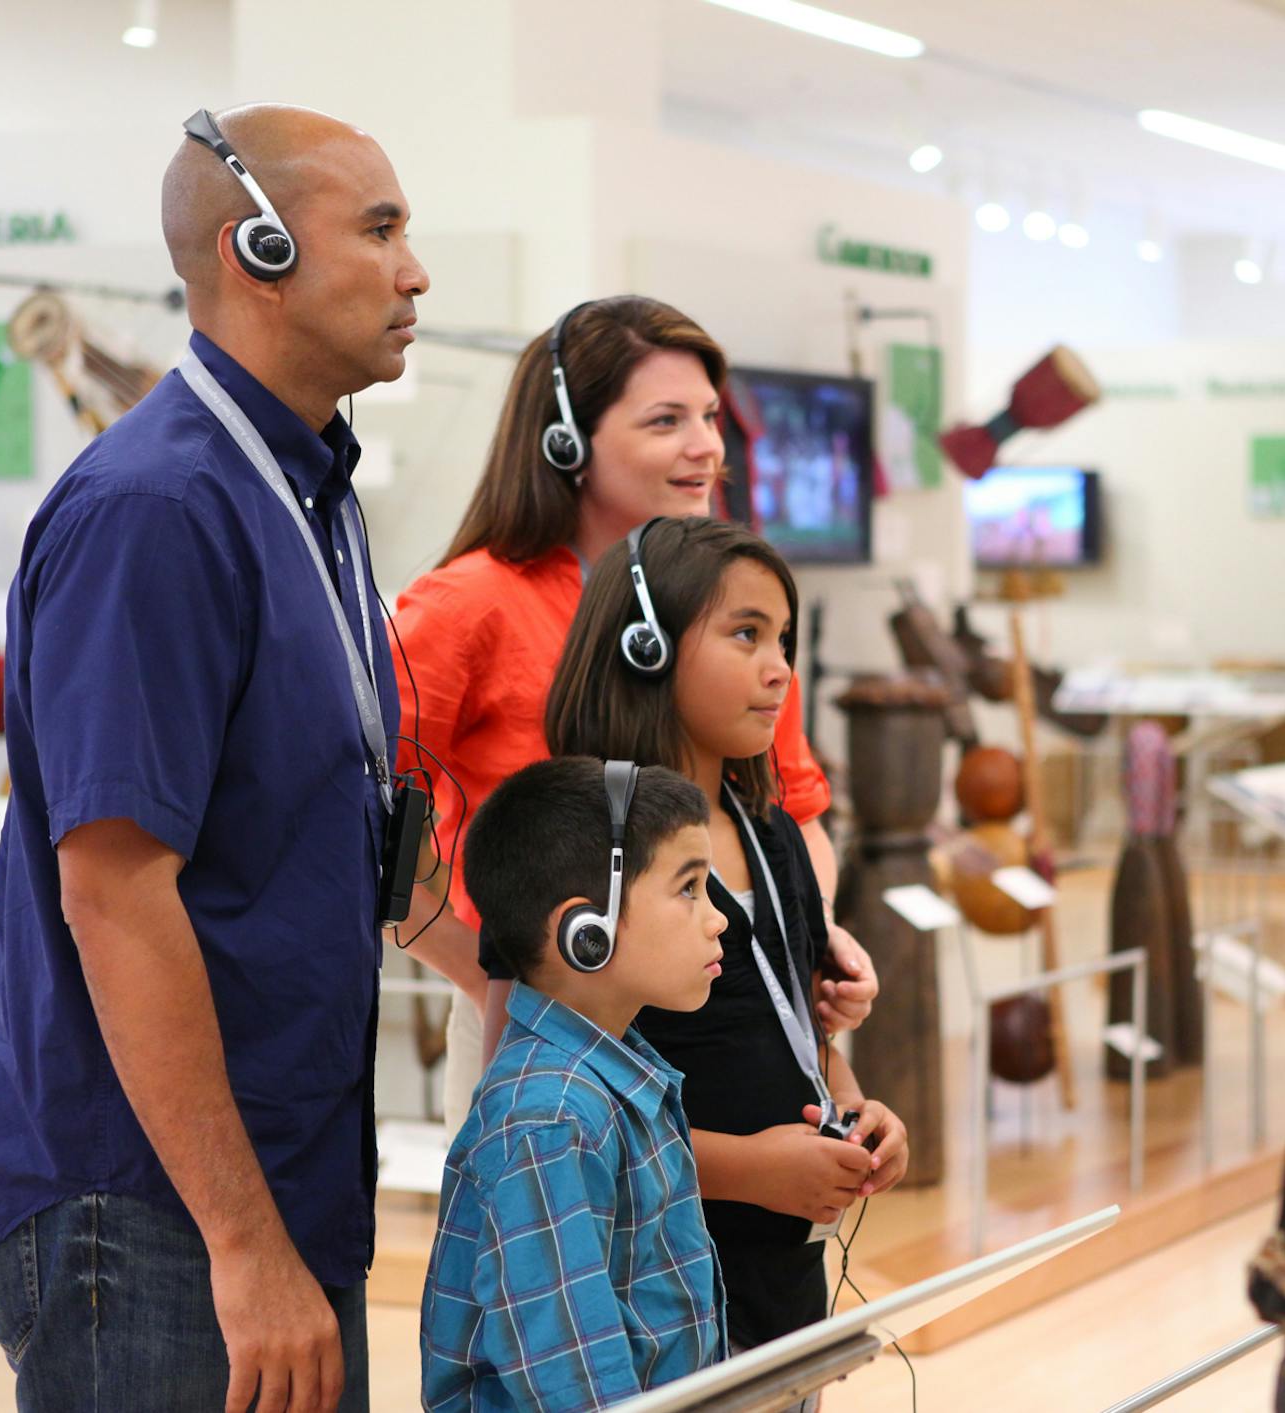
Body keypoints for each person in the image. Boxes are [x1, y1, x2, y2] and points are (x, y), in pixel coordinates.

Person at [0, 103, 480, 1413]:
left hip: (273, 1182)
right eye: (380, 228)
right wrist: (244, 1246)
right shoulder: (157, 508)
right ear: (253, 245)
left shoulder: (308, 493)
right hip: (155, 1217)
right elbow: (114, 892)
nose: (415, 270)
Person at [389, 295, 875, 1125]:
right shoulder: (470, 604)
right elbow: (371, 823)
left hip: (737, 1020)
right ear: (566, 441)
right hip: (545, 1029)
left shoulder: (734, 604)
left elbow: (792, 811)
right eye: (665, 421)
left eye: (711, 417)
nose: (706, 447)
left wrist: (809, 939)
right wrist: (487, 972)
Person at [547, 517, 911, 1362]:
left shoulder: (774, 835)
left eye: (784, 638)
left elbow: (802, 1028)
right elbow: (557, 1104)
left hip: (781, 1274)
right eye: (746, 634)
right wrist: (748, 1168)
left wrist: (854, 1111)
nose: (779, 667)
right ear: (648, 646)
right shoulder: (585, 849)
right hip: (646, 1280)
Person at [421, 758, 728, 1411]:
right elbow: (578, 1384)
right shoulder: (550, 1118)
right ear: (583, 933)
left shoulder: (610, 1077)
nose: (717, 917)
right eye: (689, 888)